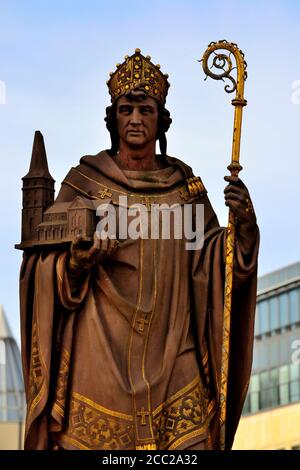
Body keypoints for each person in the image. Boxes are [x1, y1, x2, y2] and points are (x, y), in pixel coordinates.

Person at [19, 48, 259, 450]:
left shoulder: (185, 189)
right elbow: (43, 263)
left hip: (174, 359)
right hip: (100, 366)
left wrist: (244, 224)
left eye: (145, 110)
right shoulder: (83, 185)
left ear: (161, 120)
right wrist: (75, 264)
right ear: (112, 119)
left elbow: (216, 263)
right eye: (126, 109)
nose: (135, 119)